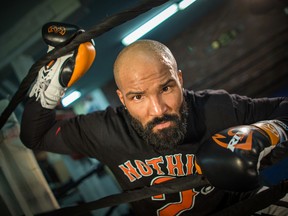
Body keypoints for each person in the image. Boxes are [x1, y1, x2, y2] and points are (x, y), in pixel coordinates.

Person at [20, 22, 288, 216]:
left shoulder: (217, 109)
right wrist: (52, 84)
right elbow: (36, 135)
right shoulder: (107, 131)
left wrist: (268, 132)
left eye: (166, 88)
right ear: (122, 99)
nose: (158, 109)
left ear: (180, 80)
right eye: (138, 97)